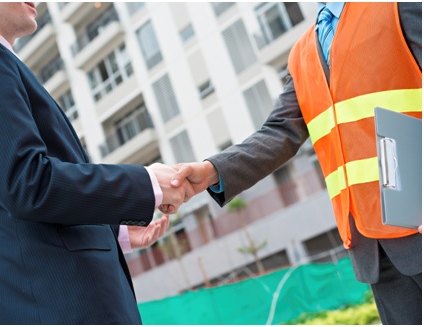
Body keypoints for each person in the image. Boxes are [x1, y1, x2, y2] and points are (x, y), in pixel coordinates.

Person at [170, 2, 422, 325]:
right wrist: (211, 171)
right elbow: (279, 133)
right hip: (373, 248)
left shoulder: (397, 6)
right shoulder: (302, 54)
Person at [0, 2, 188, 324]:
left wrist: (114, 232)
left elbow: (16, 185)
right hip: (55, 301)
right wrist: (147, 183)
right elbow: (28, 183)